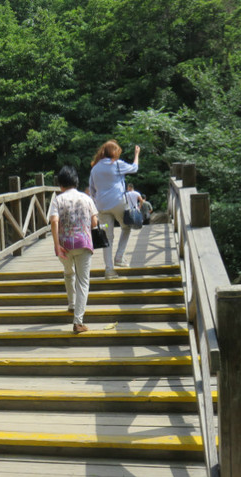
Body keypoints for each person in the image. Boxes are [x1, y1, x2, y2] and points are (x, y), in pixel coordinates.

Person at [50, 165, 99, 334]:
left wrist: (57, 245)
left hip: (64, 246)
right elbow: (94, 223)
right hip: (83, 244)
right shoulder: (86, 198)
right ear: (76, 181)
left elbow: (54, 221)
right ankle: (78, 321)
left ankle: (71, 304)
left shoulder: (57, 199)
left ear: (60, 184)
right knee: (83, 282)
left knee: (68, 273)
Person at [88, 139, 140, 279]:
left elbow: (92, 190)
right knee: (127, 226)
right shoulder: (116, 164)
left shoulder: (95, 168)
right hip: (118, 203)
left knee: (107, 237)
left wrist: (97, 203)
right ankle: (119, 256)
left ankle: (109, 270)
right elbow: (134, 168)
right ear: (113, 153)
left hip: (102, 207)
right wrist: (136, 154)